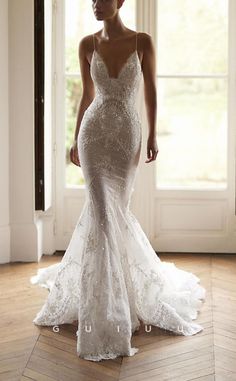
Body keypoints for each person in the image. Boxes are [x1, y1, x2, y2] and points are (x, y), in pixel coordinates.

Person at [30, 0, 206, 362]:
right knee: (103, 216)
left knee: (116, 213)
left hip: (126, 135)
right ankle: (104, 306)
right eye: (92, 0)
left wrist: (154, 135)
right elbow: (87, 95)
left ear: (120, 1)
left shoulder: (142, 41)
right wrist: (75, 136)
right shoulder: (86, 44)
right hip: (93, 135)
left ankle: (123, 292)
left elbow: (152, 90)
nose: (95, 4)